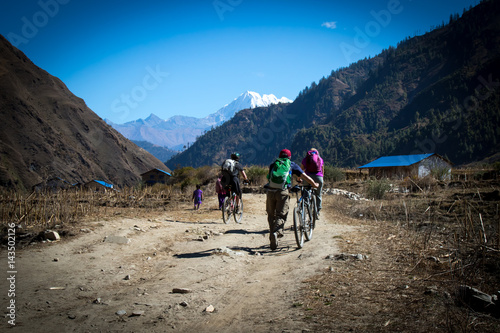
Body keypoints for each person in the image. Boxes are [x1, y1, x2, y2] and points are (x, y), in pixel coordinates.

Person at [266, 149, 318, 251]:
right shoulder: (291, 164)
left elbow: (269, 178)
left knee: (271, 215)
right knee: (281, 214)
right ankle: (276, 233)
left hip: (270, 192)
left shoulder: (273, 164)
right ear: (289, 157)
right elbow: (305, 176)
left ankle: (272, 236)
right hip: (282, 192)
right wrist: (314, 184)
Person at [301, 148, 324, 218]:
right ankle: (317, 211)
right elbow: (322, 170)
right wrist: (322, 178)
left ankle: (304, 208)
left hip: (308, 177)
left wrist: (300, 178)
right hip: (318, 177)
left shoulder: (305, 159)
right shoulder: (320, 159)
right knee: (318, 194)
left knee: (305, 191)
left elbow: (301, 170)